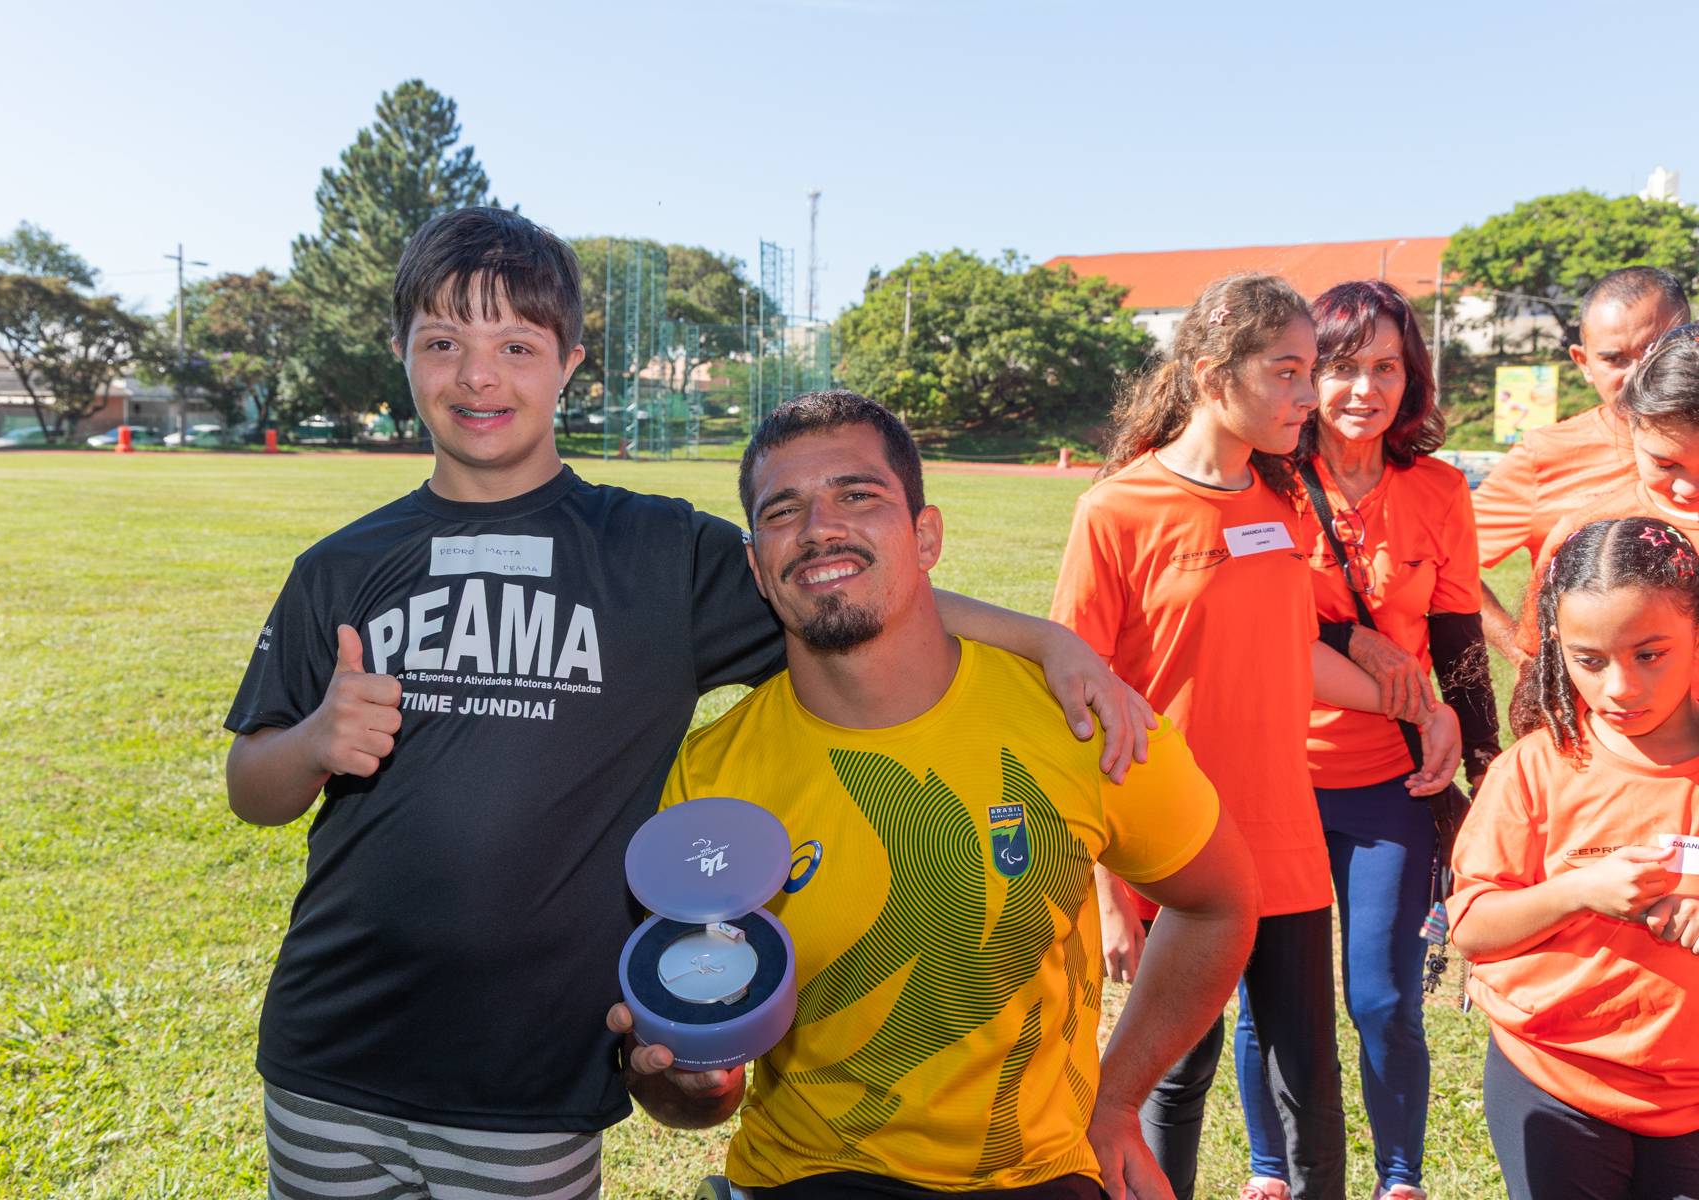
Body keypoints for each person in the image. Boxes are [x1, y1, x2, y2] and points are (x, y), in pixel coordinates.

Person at [221, 207, 1157, 1200]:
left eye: (516, 346)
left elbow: (851, 596)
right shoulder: (342, 566)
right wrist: (316, 740)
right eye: (442, 342)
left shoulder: (659, 553)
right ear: (401, 353)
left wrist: (1047, 639)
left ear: (570, 363)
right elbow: (252, 785)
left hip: (530, 1077)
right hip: (329, 1057)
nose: (477, 376)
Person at [607, 390, 1261, 1200]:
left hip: (1037, 1178)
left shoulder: (1075, 715)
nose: (819, 527)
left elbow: (1220, 902)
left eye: (857, 495)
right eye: (783, 510)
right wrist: (682, 1077)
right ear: (756, 567)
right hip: (809, 1177)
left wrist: (1120, 1100)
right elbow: (698, 1089)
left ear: (926, 536)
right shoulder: (712, 779)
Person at [1051, 273, 1460, 1200]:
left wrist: (1418, 707)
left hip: (1283, 841)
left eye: (1310, 370)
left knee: (1307, 1077)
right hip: (1171, 847)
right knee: (1172, 1077)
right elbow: (1076, 706)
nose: (1309, 396)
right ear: (1211, 376)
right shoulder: (1115, 510)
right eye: (1287, 372)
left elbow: (1292, 654)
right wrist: (1111, 899)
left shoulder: (1282, 503)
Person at [1227, 281, 1500, 1200]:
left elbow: (1459, 640)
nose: (1364, 389)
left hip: (1393, 783)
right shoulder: (1262, 481)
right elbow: (1256, 620)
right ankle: (1271, 1170)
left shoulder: (1440, 489)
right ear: (1307, 375)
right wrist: (1349, 638)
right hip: (1275, 777)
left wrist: (1485, 776)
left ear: (1410, 378)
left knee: (1383, 999)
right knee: (1272, 998)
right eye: (1342, 366)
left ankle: (1399, 1177)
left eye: (1387, 367)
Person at [1449, 516, 1699, 1199]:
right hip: (1553, 1082)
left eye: (1650, 654)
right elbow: (1471, 928)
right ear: (1558, 649)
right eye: (1590, 661)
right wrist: (1577, 891)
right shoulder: (1532, 770)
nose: (1619, 687)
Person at [1474, 267, 1690, 663]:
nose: (1638, 373)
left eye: (1656, 349)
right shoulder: (1543, 455)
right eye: (1614, 359)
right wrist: (1525, 657)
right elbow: (1449, 562)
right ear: (1583, 362)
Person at [1508, 326, 1699, 665]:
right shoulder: (1583, 530)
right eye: (1665, 464)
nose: (1688, 488)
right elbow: (1544, 664)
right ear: (1632, 426)